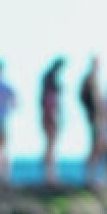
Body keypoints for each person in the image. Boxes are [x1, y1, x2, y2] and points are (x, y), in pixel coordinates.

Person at [78, 55, 107, 189]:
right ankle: (90, 177)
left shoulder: (94, 79)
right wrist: (90, 111)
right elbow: (83, 97)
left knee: (100, 146)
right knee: (96, 145)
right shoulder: (90, 79)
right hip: (95, 118)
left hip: (99, 118)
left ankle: (93, 176)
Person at [39, 56, 64, 185]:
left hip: (48, 116)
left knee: (50, 145)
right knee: (51, 146)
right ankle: (50, 175)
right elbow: (50, 104)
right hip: (50, 117)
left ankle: (50, 175)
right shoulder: (50, 86)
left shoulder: (47, 81)